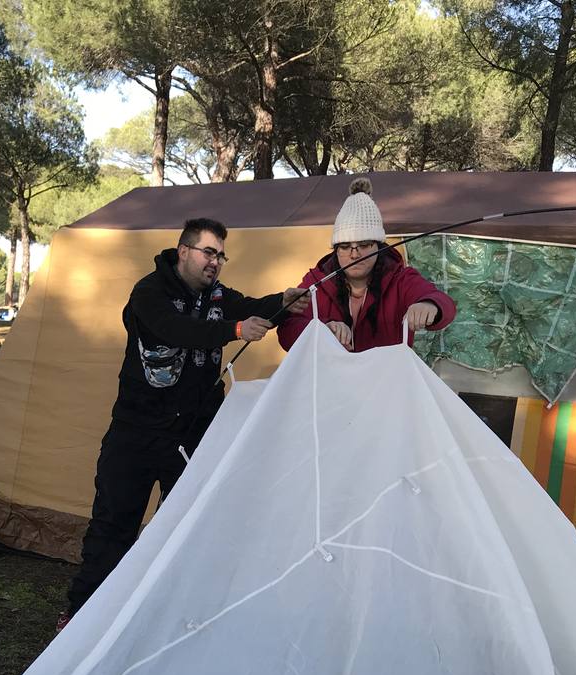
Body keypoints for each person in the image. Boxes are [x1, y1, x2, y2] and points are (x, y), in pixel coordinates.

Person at [60, 217, 311, 631]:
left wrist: (281, 299)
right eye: (208, 252)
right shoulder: (149, 292)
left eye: (221, 255)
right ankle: (81, 616)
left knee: (180, 528)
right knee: (113, 526)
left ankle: (162, 615)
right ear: (184, 252)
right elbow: (175, 329)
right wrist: (233, 329)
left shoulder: (217, 296)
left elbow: (249, 306)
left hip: (193, 434)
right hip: (136, 432)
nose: (216, 262)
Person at [277, 177, 456, 353]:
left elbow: (444, 303)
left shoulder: (400, 278)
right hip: (330, 379)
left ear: (378, 246)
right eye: (345, 247)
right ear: (335, 250)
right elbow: (287, 329)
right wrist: (322, 329)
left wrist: (430, 304)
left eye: (364, 245)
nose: (355, 254)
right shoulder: (317, 281)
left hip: (385, 378)